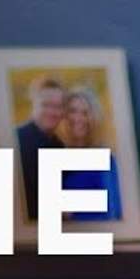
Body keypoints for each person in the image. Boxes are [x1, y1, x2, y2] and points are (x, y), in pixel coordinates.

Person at [53, 86, 123, 222]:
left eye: (85, 113)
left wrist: (72, 211)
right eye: (72, 111)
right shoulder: (56, 154)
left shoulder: (105, 158)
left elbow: (112, 212)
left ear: (94, 118)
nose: (77, 118)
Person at [15, 76, 65, 218]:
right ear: (33, 104)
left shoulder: (59, 146)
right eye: (45, 105)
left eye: (57, 106)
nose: (52, 112)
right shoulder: (15, 141)